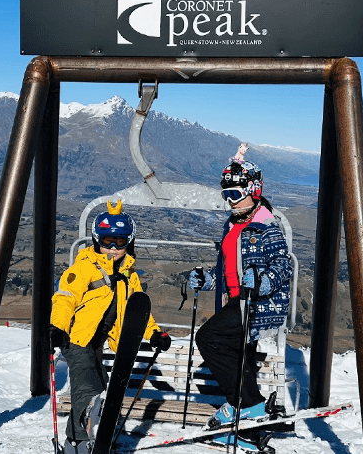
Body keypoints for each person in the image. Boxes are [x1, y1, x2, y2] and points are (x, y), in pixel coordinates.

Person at [194, 143, 295, 451]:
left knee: (208, 338)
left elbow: (284, 264)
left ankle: (249, 407)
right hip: (237, 300)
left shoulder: (266, 224)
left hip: (256, 304)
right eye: (226, 195)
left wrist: (264, 281)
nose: (230, 201)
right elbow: (229, 269)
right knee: (242, 361)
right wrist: (209, 279)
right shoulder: (234, 225)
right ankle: (249, 429)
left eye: (235, 194)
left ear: (253, 190)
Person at [50, 199, 168, 452]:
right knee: (88, 388)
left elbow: (139, 312)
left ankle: (79, 441)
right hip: (76, 339)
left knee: (100, 388)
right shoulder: (83, 269)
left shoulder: (129, 275)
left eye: (120, 242)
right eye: (106, 242)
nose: (113, 249)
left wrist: (154, 333)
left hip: (97, 342)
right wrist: (57, 327)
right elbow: (65, 298)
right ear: (96, 240)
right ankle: (84, 438)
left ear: (129, 242)